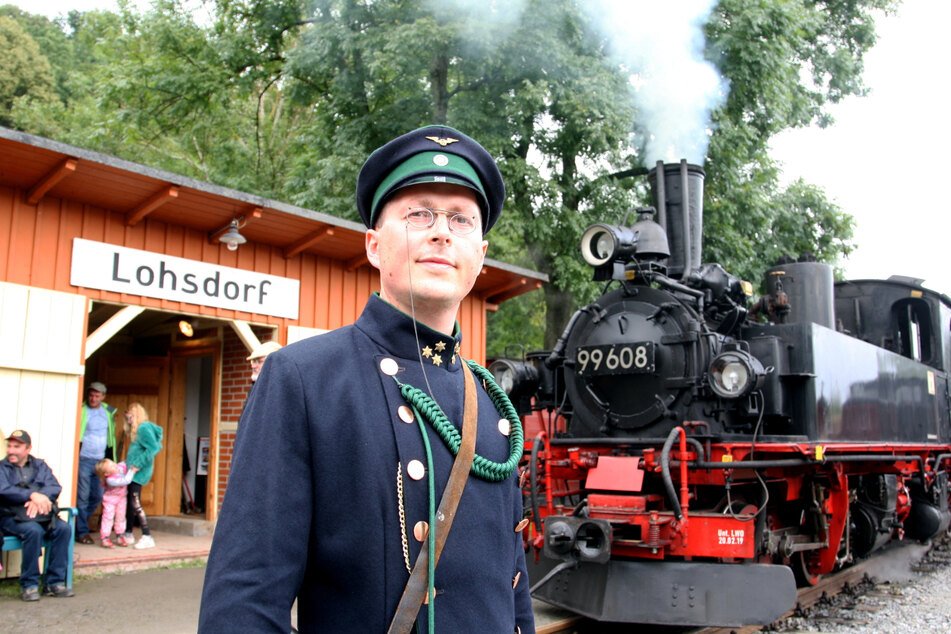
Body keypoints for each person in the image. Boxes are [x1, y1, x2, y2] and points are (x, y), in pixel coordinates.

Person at [199, 125, 534, 633]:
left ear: (480, 255)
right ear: (375, 246)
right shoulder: (303, 380)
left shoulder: (491, 404)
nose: (441, 230)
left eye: (461, 219)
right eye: (419, 214)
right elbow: (244, 602)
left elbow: (513, 596)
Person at [0, 430, 75, 601]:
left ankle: (54, 583)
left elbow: (54, 486)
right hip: (10, 517)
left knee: (63, 529)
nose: (11, 450)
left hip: (41, 516)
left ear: (27, 448)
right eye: (9, 446)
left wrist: (40, 497)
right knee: (33, 531)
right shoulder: (2, 467)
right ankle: (29, 585)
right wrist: (31, 495)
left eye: (16, 447)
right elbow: (3, 490)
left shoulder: (40, 466)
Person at [77, 380, 117, 544]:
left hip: (100, 461)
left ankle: (79, 523)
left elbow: (111, 436)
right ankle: (81, 531)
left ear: (103, 397)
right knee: (83, 496)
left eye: (97, 396)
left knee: (97, 495)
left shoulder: (108, 412)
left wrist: (111, 458)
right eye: (91, 395)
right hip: (84, 458)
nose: (93, 398)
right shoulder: (82, 409)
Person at [122, 403, 164, 550]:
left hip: (137, 473)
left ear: (137, 416)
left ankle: (147, 535)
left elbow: (155, 447)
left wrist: (138, 464)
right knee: (130, 502)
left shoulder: (143, 428)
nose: (128, 421)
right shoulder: (137, 430)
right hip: (132, 472)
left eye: (130, 417)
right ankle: (128, 533)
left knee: (135, 502)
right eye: (127, 418)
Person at [94, 458, 138, 547]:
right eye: (111, 466)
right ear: (106, 474)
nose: (115, 465)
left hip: (121, 499)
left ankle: (120, 535)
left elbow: (124, 463)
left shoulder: (118, 468)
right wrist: (132, 471)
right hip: (110, 500)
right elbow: (126, 481)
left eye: (113, 463)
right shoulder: (110, 480)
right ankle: (105, 537)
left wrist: (132, 457)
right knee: (108, 517)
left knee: (121, 517)